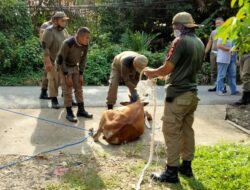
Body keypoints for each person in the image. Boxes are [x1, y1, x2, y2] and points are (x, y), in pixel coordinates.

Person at [144, 12, 204, 183]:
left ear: (180, 26)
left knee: (171, 132)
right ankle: (186, 166)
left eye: (174, 26)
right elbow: (183, 67)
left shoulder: (180, 41)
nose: (173, 30)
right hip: (192, 94)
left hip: (178, 95)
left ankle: (171, 172)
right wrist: (169, 75)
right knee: (187, 130)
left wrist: (151, 72)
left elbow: (166, 68)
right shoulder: (199, 42)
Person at [56, 27, 93, 122]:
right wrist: (66, 75)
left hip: (74, 66)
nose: (88, 39)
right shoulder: (68, 43)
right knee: (67, 89)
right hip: (64, 66)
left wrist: (81, 73)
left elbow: (83, 59)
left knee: (79, 87)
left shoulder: (85, 44)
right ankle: (69, 113)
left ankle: (81, 110)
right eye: (87, 37)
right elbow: (61, 60)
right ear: (80, 37)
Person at [42, 11, 69, 109]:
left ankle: (68, 98)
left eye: (65, 21)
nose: (64, 23)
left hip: (62, 60)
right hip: (52, 59)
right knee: (53, 80)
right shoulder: (49, 31)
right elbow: (45, 47)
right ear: (55, 21)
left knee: (65, 79)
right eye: (62, 21)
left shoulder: (64, 31)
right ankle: (54, 99)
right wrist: (47, 61)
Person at [204, 17, 226, 92]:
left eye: (219, 23)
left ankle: (222, 86)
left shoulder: (227, 31)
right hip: (213, 53)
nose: (217, 24)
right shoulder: (213, 32)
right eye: (216, 23)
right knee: (213, 71)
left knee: (221, 70)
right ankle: (217, 86)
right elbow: (209, 43)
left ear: (223, 23)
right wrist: (205, 52)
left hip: (223, 53)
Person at [39, 19, 53, 99]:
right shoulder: (46, 25)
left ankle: (64, 93)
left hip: (56, 52)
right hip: (48, 52)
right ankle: (43, 92)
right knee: (47, 72)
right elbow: (42, 39)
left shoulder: (58, 26)